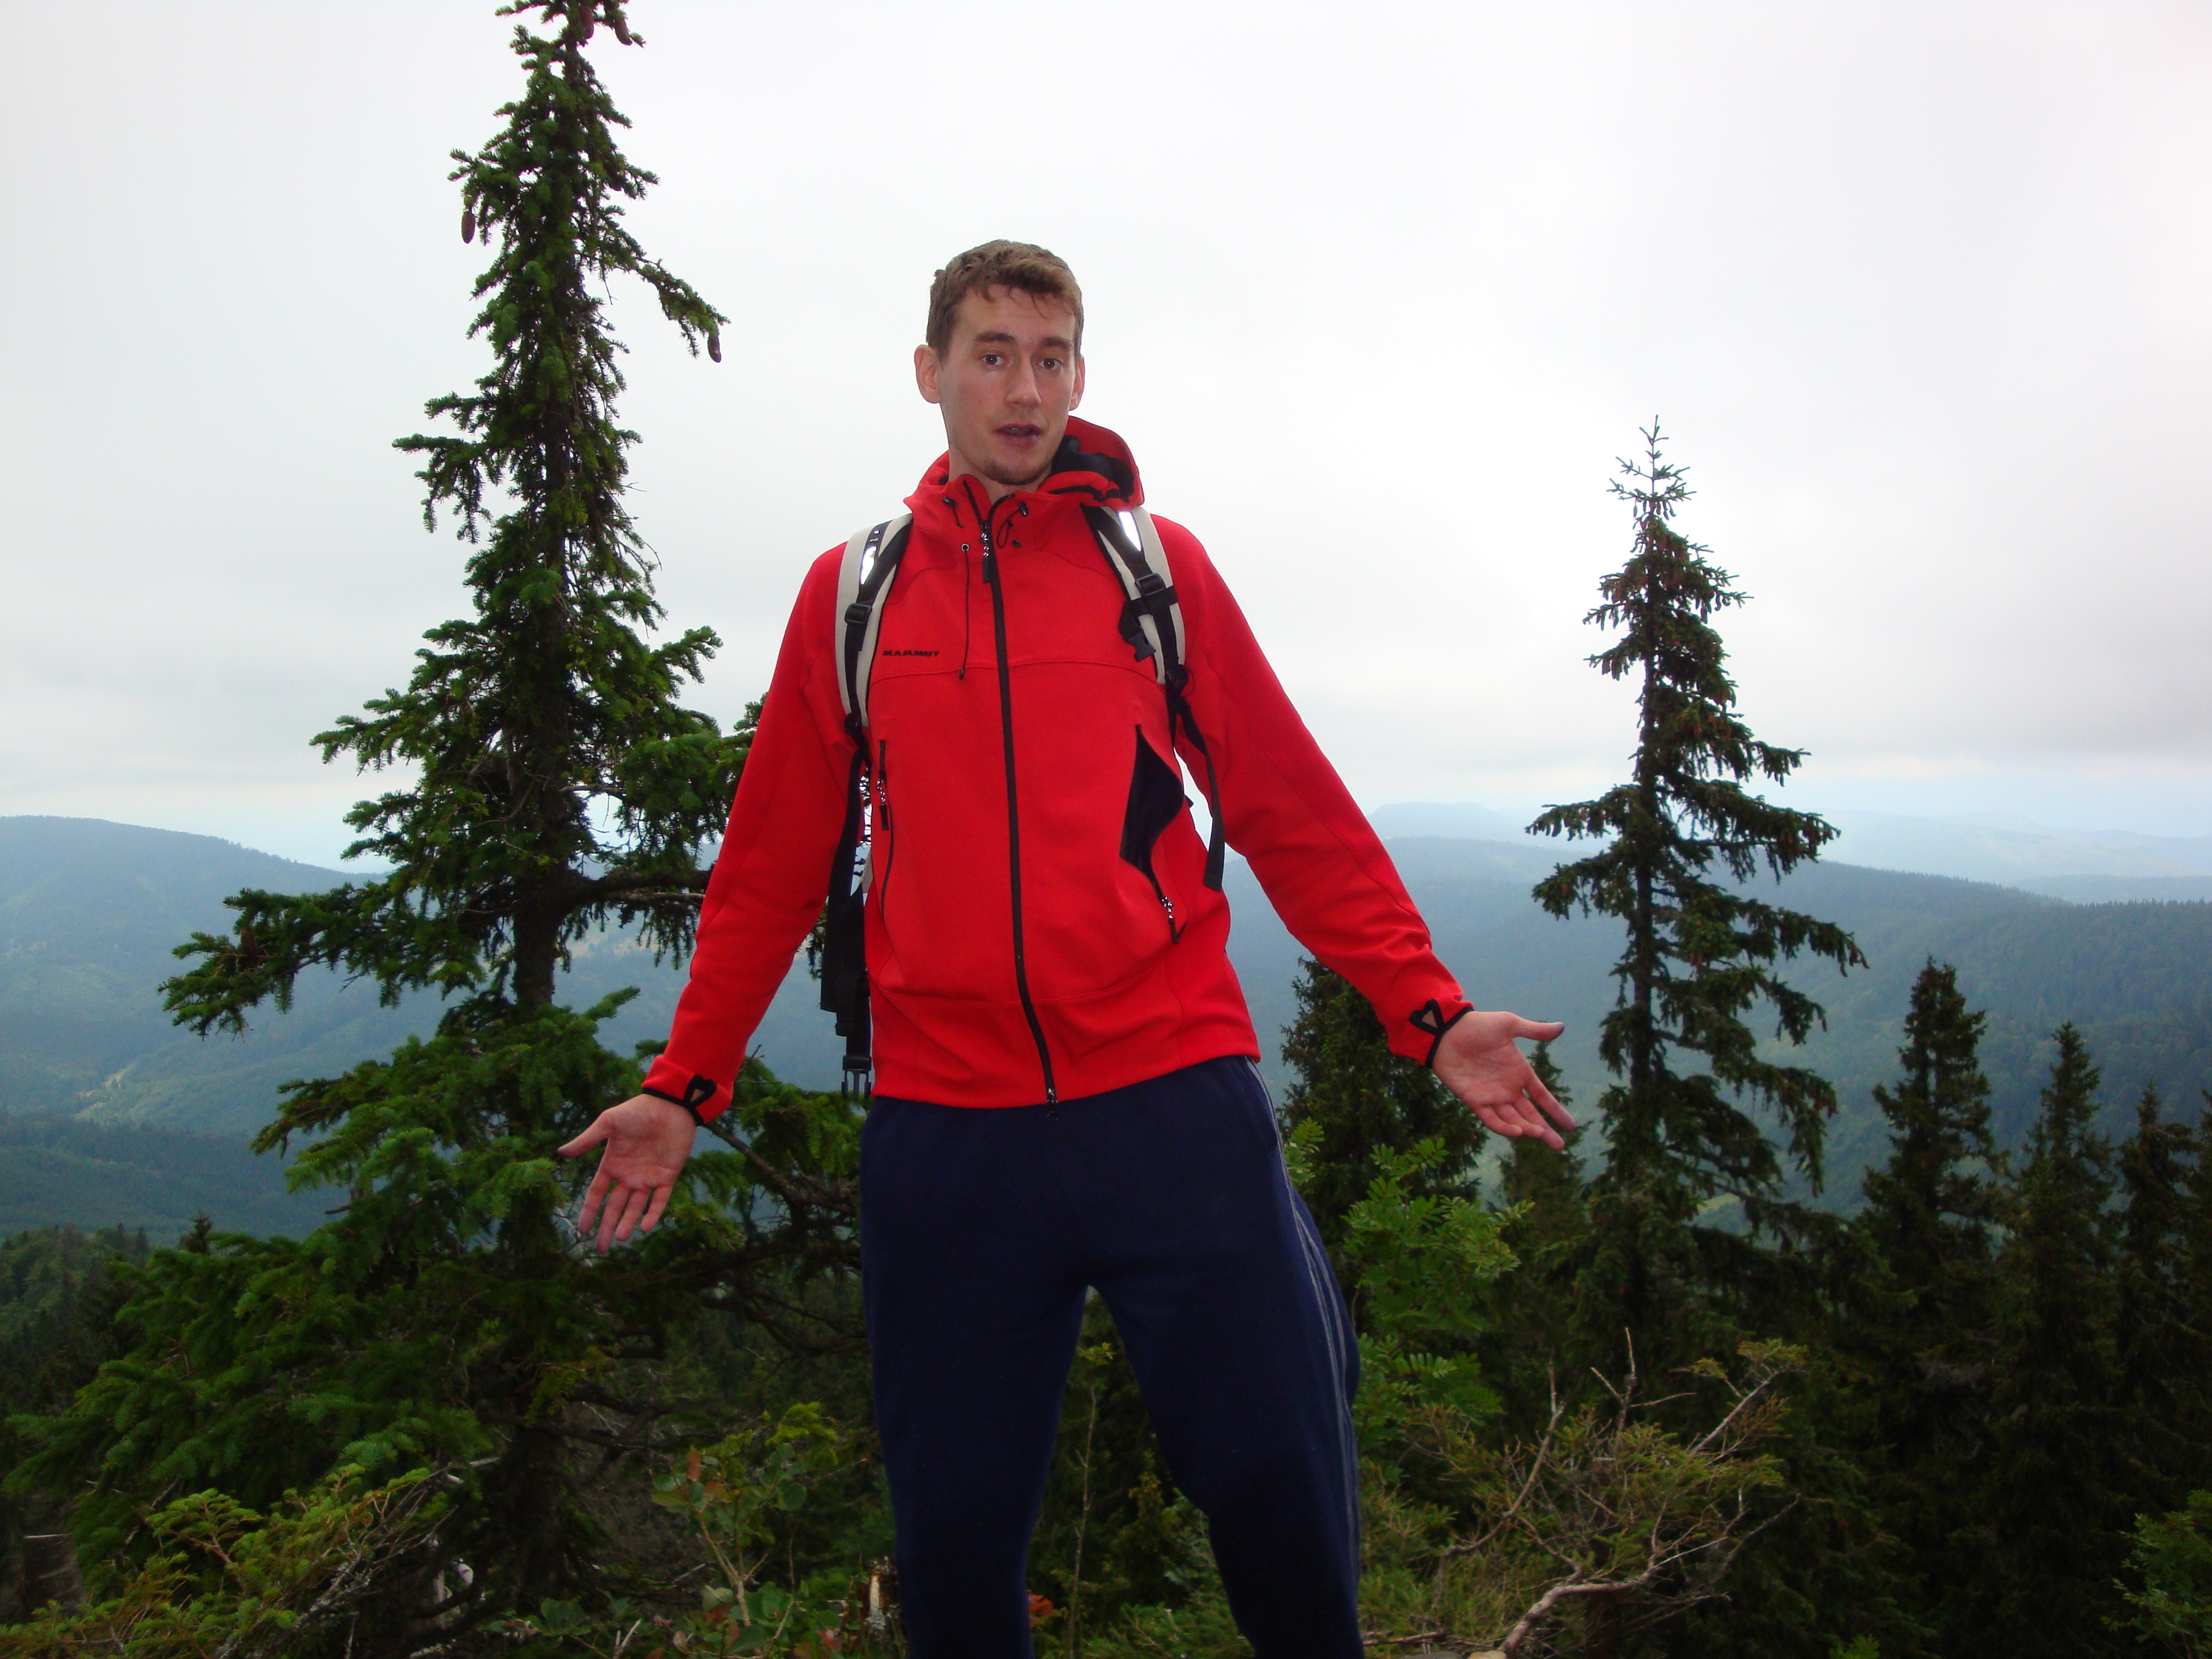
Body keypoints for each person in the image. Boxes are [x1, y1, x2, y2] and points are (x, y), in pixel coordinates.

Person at [560, 240, 1572, 1657]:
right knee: (955, 1538)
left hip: (1172, 1096)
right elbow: (771, 862)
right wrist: (685, 1083)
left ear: (1080, 377)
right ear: (931, 374)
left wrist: (1429, 1008)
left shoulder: (1155, 572)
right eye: (993, 356)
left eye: (1050, 359)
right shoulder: (854, 596)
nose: (1024, 389)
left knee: (1280, 1478)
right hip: (949, 1131)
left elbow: (1288, 805)